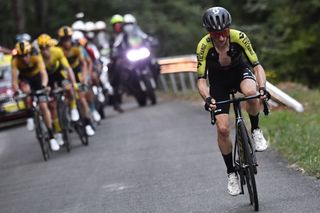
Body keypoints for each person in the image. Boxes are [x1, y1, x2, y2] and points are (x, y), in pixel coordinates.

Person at [196, 7, 269, 196]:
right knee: (222, 128)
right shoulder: (203, 46)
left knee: (251, 93)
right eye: (216, 33)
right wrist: (208, 98)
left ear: (229, 29)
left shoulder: (239, 37)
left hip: (239, 73)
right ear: (209, 33)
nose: (221, 38)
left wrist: (262, 88)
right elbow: (201, 80)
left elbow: (257, 66)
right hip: (218, 81)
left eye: (224, 32)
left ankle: (255, 130)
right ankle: (231, 173)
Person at [11, 40, 60, 151]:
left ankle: (51, 136)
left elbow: (43, 73)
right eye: (21, 56)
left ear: (30, 53)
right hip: (25, 79)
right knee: (26, 91)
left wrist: (44, 86)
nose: (24, 58)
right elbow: (14, 79)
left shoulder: (36, 56)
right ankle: (29, 114)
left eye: (26, 55)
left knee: (43, 106)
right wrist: (17, 90)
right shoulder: (15, 61)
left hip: (38, 79)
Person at [37, 33, 80, 145]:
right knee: (52, 106)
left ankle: (74, 108)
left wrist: (74, 83)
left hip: (58, 73)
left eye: (47, 48)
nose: (45, 51)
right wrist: (45, 87)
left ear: (51, 46)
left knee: (68, 87)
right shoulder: (39, 57)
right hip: (48, 77)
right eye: (42, 48)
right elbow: (42, 74)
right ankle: (59, 132)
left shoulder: (57, 51)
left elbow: (68, 68)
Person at [57, 26, 95, 136]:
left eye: (68, 38)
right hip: (64, 72)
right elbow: (60, 68)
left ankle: (87, 123)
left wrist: (84, 77)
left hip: (77, 70)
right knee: (68, 90)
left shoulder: (77, 46)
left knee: (82, 96)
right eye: (63, 39)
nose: (66, 42)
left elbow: (83, 64)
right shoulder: (58, 49)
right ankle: (70, 111)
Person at [108, 14, 126, 113]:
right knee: (116, 81)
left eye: (119, 23)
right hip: (118, 60)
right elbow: (109, 49)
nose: (118, 25)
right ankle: (116, 102)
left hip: (130, 57)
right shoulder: (112, 38)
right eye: (116, 24)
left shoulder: (127, 34)